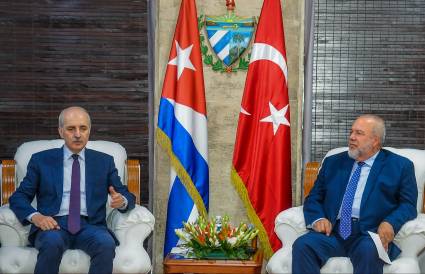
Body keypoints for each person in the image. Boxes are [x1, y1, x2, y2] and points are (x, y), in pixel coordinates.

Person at [9, 106, 136, 274]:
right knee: (51, 242)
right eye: (71, 129)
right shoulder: (41, 160)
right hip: (53, 224)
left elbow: (127, 195)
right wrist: (36, 217)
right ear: (61, 131)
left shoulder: (104, 161)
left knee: (105, 243)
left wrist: (122, 201)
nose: (78, 134)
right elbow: (18, 197)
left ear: (89, 131)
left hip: (92, 225)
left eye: (83, 128)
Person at [292, 114, 418, 274]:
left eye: (359, 133)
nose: (351, 137)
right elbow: (314, 197)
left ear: (375, 140)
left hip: (369, 234)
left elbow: (408, 205)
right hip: (332, 232)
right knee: (303, 245)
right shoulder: (333, 162)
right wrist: (318, 218)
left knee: (368, 250)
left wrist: (390, 222)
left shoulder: (400, 166)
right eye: (351, 132)